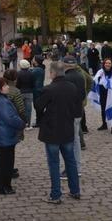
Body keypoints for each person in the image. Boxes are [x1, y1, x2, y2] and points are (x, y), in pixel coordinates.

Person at [34, 61, 81, 203]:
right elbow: (78, 110)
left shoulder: (49, 89)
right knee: (70, 161)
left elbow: (38, 106)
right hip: (67, 129)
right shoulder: (72, 88)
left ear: (53, 73)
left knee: (54, 163)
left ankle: (56, 195)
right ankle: (75, 190)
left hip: (52, 131)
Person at [0, 77, 26, 195]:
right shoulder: (2, 102)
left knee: (1, 161)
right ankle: (4, 186)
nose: (8, 87)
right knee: (7, 163)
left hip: (0, 134)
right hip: (5, 135)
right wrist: (22, 124)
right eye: (5, 86)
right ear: (0, 89)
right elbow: (10, 118)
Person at [62, 55, 91, 175]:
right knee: (76, 140)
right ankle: (76, 167)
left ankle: (72, 169)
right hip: (78, 110)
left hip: (70, 112)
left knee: (71, 141)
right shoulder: (80, 75)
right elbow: (83, 92)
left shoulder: (66, 77)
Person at [89, 58, 112, 134]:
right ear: (104, 64)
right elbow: (95, 80)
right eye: (106, 63)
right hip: (103, 94)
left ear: (111, 64)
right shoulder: (100, 72)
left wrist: (106, 82)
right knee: (103, 109)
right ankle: (104, 124)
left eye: (109, 63)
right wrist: (99, 78)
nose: (107, 64)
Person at [3, 69, 25, 179]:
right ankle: (8, 169)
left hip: (1, 122)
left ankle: (7, 168)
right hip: (12, 122)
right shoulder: (15, 91)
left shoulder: (0, 87)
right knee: (10, 148)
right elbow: (21, 109)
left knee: (4, 148)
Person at [16, 59, 35, 130]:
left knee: (20, 109)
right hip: (29, 93)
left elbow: (17, 84)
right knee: (28, 109)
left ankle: (21, 123)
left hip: (21, 92)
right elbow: (33, 84)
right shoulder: (31, 73)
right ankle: (28, 124)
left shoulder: (18, 73)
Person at [30, 55, 45, 127]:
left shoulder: (37, 70)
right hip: (39, 89)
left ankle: (39, 122)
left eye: (33, 59)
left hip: (36, 90)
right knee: (38, 106)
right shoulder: (39, 68)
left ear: (36, 61)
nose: (32, 60)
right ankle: (40, 121)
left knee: (38, 106)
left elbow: (30, 74)